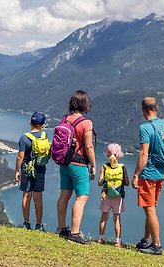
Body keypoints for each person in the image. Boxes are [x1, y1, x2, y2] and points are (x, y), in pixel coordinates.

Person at [132, 97, 164, 255]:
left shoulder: (145, 128)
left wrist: (136, 174)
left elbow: (143, 153)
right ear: (156, 108)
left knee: (149, 210)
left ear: (143, 110)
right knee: (152, 208)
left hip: (148, 173)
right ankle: (146, 239)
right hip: (161, 172)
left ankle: (157, 245)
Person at [56, 90, 96, 244]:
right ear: (85, 104)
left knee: (64, 195)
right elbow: (89, 147)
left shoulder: (65, 119)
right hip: (78, 164)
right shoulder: (86, 123)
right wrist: (93, 165)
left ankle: (62, 228)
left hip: (64, 164)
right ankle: (75, 232)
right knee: (82, 197)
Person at [15, 111, 48, 231]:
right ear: (43, 124)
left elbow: (20, 156)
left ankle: (26, 223)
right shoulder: (44, 136)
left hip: (27, 169)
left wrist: (17, 171)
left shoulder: (24, 137)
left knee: (26, 196)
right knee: (38, 197)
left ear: (30, 122)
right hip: (40, 169)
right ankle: (39, 225)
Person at [97, 143, 129, 248]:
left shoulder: (104, 167)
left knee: (104, 217)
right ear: (119, 155)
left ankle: (100, 239)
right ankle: (118, 242)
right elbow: (127, 183)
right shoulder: (122, 167)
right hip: (118, 197)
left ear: (107, 153)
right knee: (117, 219)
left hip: (106, 196)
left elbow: (100, 182)